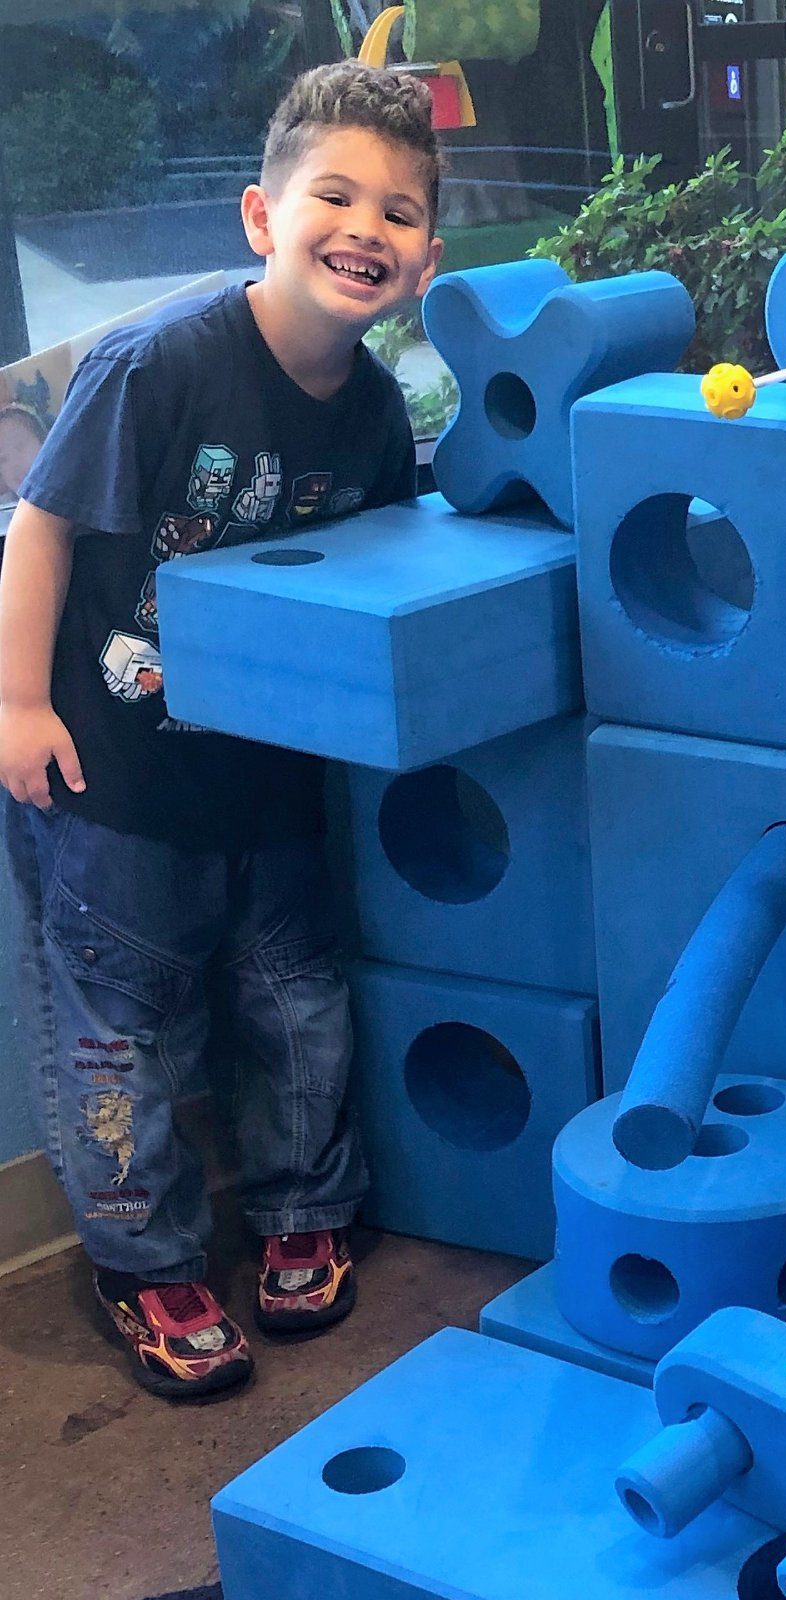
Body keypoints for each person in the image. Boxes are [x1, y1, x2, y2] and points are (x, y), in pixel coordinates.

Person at [0, 62, 443, 1400]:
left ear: (427, 253)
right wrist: (17, 704)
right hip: (116, 779)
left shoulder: (371, 406)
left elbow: (381, 568)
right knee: (116, 1038)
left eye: (405, 210)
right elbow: (42, 528)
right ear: (262, 216)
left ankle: (305, 1208)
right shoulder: (162, 362)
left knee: (298, 1010)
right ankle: (148, 1264)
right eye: (336, 195)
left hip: (270, 778)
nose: (367, 228)